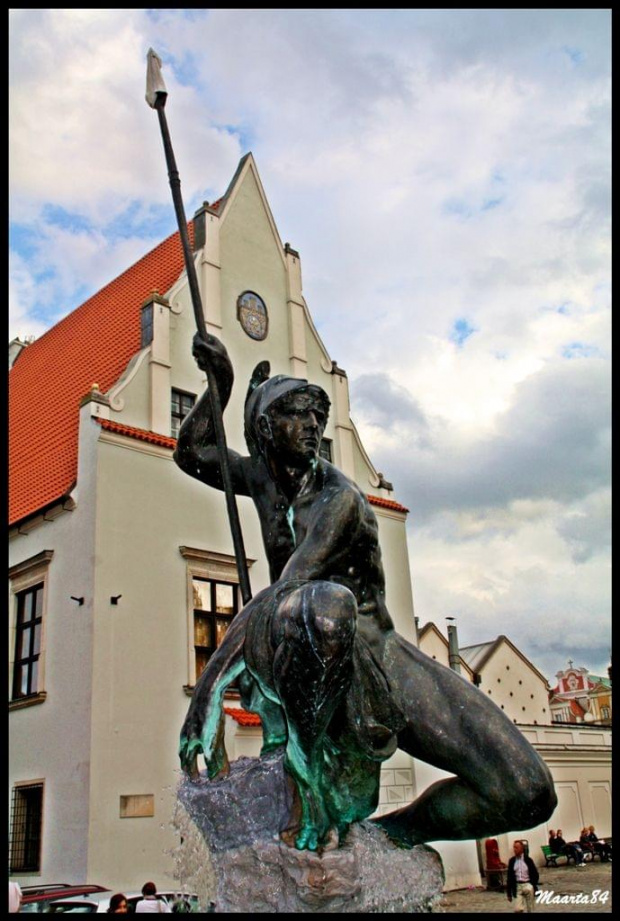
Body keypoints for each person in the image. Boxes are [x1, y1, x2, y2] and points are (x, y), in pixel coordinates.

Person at [175, 332, 557, 851]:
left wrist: (207, 689)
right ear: (266, 428)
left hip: (376, 652)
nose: (312, 426)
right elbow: (192, 454)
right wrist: (218, 387)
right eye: (296, 414)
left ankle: (387, 836)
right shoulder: (264, 479)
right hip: (308, 647)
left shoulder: (341, 501)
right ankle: (314, 789)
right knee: (323, 611)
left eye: (317, 415)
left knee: (527, 792)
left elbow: (289, 586)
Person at [507, 839, 539, 912]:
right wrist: (509, 893)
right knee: (518, 909)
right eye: (514, 847)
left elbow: (535, 874)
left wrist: (532, 885)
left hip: (528, 885)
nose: (514, 849)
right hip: (517, 886)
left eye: (516, 848)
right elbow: (509, 877)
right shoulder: (512, 861)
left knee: (530, 909)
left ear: (522, 849)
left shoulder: (528, 860)